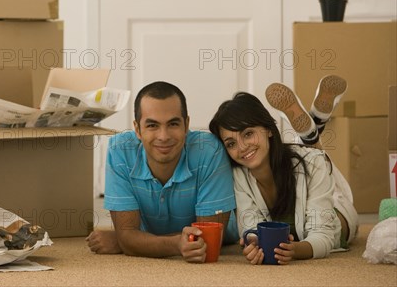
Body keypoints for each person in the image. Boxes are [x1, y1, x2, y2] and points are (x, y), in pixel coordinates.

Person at [208, 75, 358, 265]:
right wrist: (254, 243)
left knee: (316, 160)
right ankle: (314, 129)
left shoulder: (312, 163)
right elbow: (249, 226)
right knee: (311, 158)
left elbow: (324, 236)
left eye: (248, 134)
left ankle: (312, 134)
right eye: (231, 143)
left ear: (269, 129)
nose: (242, 147)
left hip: (337, 211)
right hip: (299, 165)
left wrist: (295, 250)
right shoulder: (238, 175)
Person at [86, 81, 238, 263]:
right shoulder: (120, 149)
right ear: (137, 129)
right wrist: (129, 240)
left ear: (186, 124)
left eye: (173, 124)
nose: (163, 136)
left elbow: (207, 240)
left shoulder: (210, 150)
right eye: (152, 125)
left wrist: (129, 241)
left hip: (227, 239)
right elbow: (128, 238)